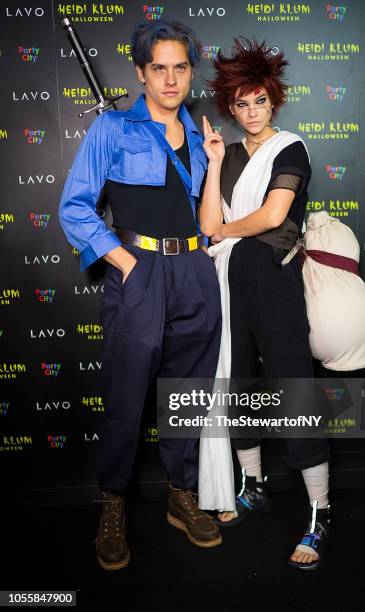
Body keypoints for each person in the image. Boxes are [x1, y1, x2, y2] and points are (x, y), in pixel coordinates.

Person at [59, 19, 223, 571]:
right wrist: (125, 260)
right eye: (160, 68)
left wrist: (217, 164)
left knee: (187, 392)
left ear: (189, 72)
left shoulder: (200, 137)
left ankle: (182, 493)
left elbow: (206, 216)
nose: (171, 79)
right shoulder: (111, 127)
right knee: (126, 396)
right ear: (140, 73)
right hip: (139, 271)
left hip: (194, 270)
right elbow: (75, 206)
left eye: (180, 67)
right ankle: (113, 502)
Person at [198, 38, 333, 570]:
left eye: (259, 101)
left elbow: (275, 215)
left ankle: (320, 511)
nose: (251, 112)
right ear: (230, 108)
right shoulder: (227, 156)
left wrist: (225, 231)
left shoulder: (291, 148)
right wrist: (211, 166)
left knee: (294, 390)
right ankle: (253, 485)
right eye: (241, 104)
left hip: (274, 283)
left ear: (272, 100)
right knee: (239, 387)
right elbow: (206, 224)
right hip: (230, 283)